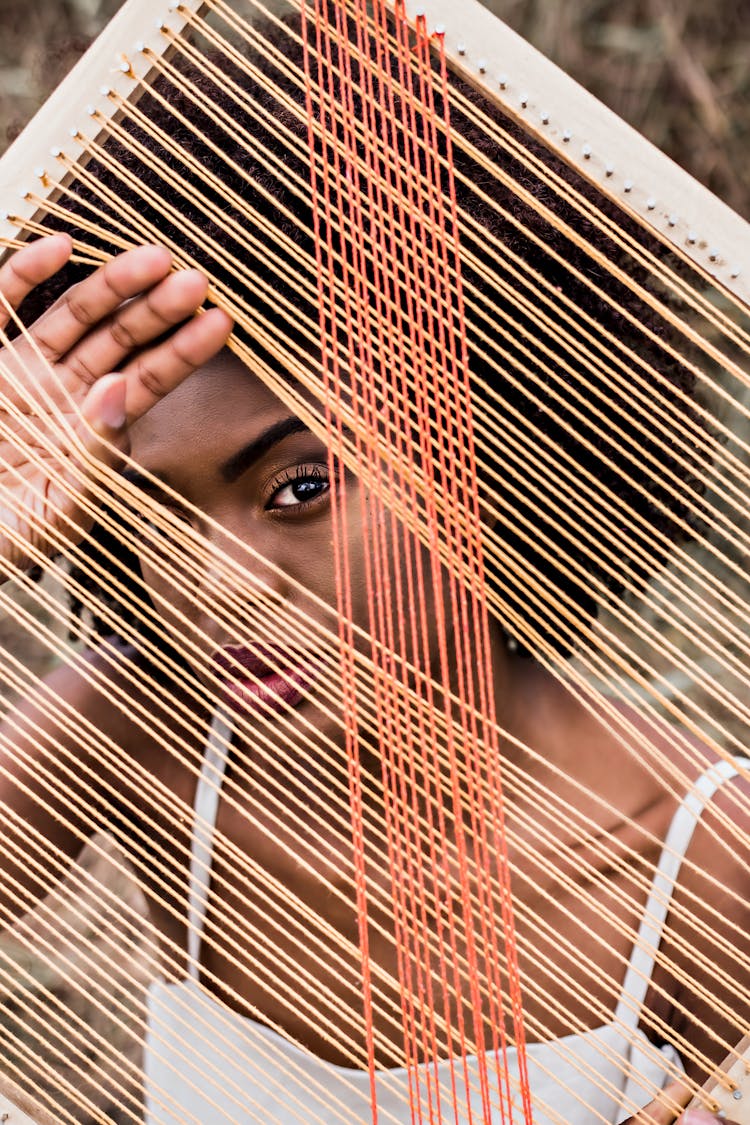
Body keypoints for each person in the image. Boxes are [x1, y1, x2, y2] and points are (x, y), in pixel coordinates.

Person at [0, 16, 748, 1125]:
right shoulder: (137, 736)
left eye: (300, 487)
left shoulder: (707, 859)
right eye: (154, 503)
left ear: (500, 457)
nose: (219, 584)